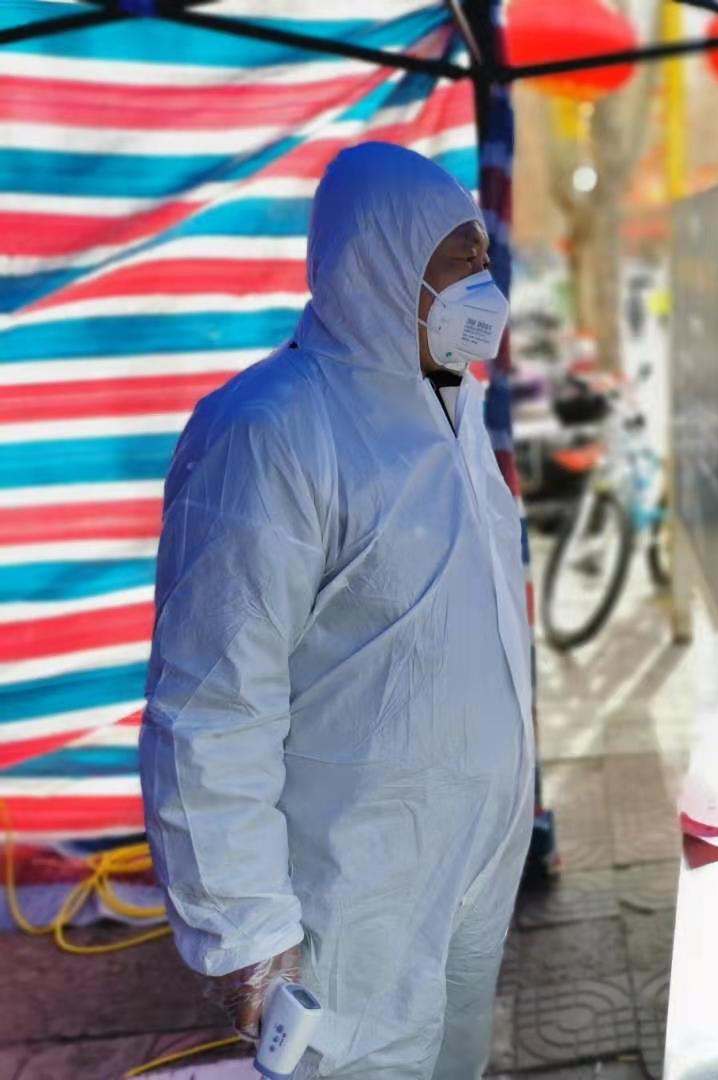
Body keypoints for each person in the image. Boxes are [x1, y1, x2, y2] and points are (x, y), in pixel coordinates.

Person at [141, 143, 535, 1079]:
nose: (484, 288)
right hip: (351, 895)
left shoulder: (452, 411)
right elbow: (212, 701)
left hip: (472, 869)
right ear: (382, 264)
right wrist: (246, 929)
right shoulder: (270, 429)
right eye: (461, 262)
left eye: (485, 261)